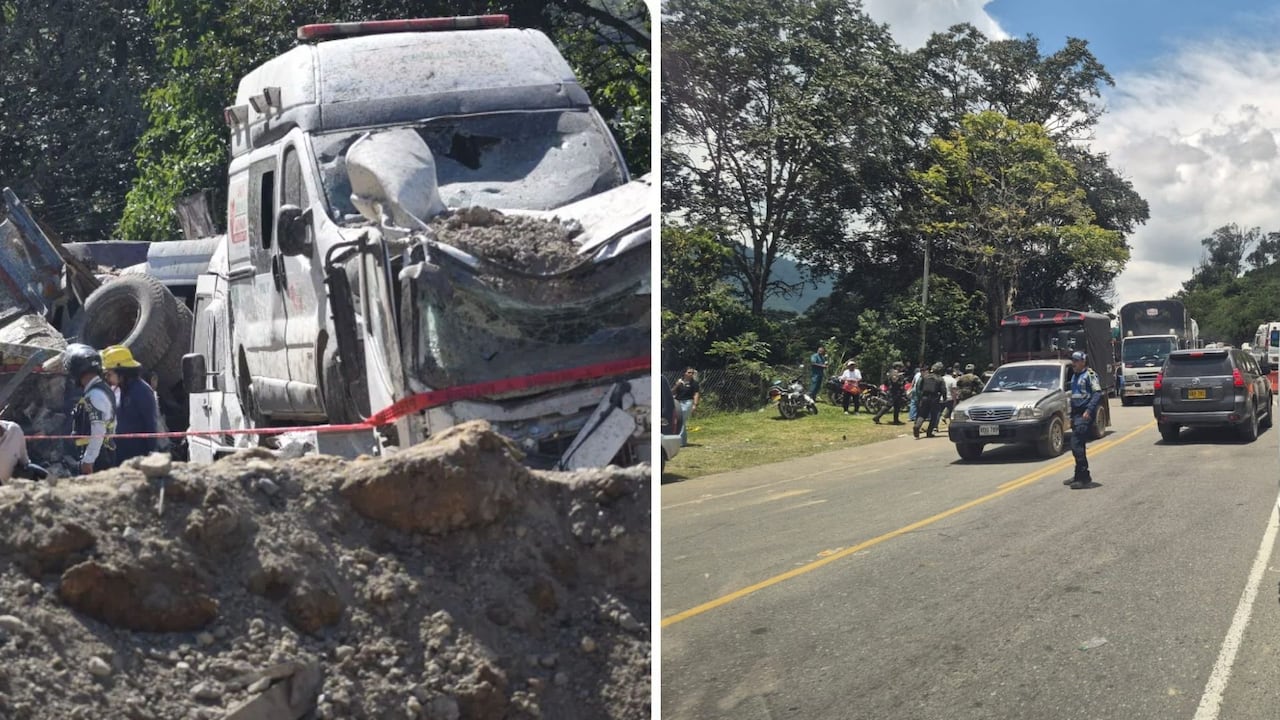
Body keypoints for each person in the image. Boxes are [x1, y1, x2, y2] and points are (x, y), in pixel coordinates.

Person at [65, 343, 117, 474]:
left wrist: (88, 460)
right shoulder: (102, 389)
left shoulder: (94, 395)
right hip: (102, 454)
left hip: (97, 459)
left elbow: (98, 430)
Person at [102, 345, 159, 464]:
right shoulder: (118, 390)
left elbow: (150, 424)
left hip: (138, 455)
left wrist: (152, 453)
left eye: (109, 374)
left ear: (121, 372)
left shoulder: (142, 391)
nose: (107, 378)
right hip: (120, 452)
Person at [1064, 350, 1103, 489]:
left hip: (1085, 414)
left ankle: (1084, 477)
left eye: (1076, 361)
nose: (1073, 363)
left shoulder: (1090, 375)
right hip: (1076, 414)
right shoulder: (1075, 376)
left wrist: (1089, 411)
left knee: (1076, 444)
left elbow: (1098, 393)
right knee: (1077, 446)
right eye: (1072, 361)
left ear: (1083, 362)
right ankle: (1078, 474)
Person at [913, 362, 946, 438]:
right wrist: (944, 399)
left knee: (922, 414)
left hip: (924, 397)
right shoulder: (940, 379)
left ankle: (917, 426)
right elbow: (943, 390)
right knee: (934, 416)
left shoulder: (925, 377)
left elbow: (920, 388)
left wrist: (921, 396)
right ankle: (929, 432)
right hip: (934, 398)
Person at [673, 367, 701, 447]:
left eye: (692, 373)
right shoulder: (680, 381)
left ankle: (680, 442)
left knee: (681, 421)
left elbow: (696, 394)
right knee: (679, 422)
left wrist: (695, 405)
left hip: (687, 402)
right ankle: (682, 441)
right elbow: (672, 391)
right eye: (689, 372)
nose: (691, 374)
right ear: (685, 373)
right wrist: (677, 385)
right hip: (678, 402)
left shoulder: (694, 383)